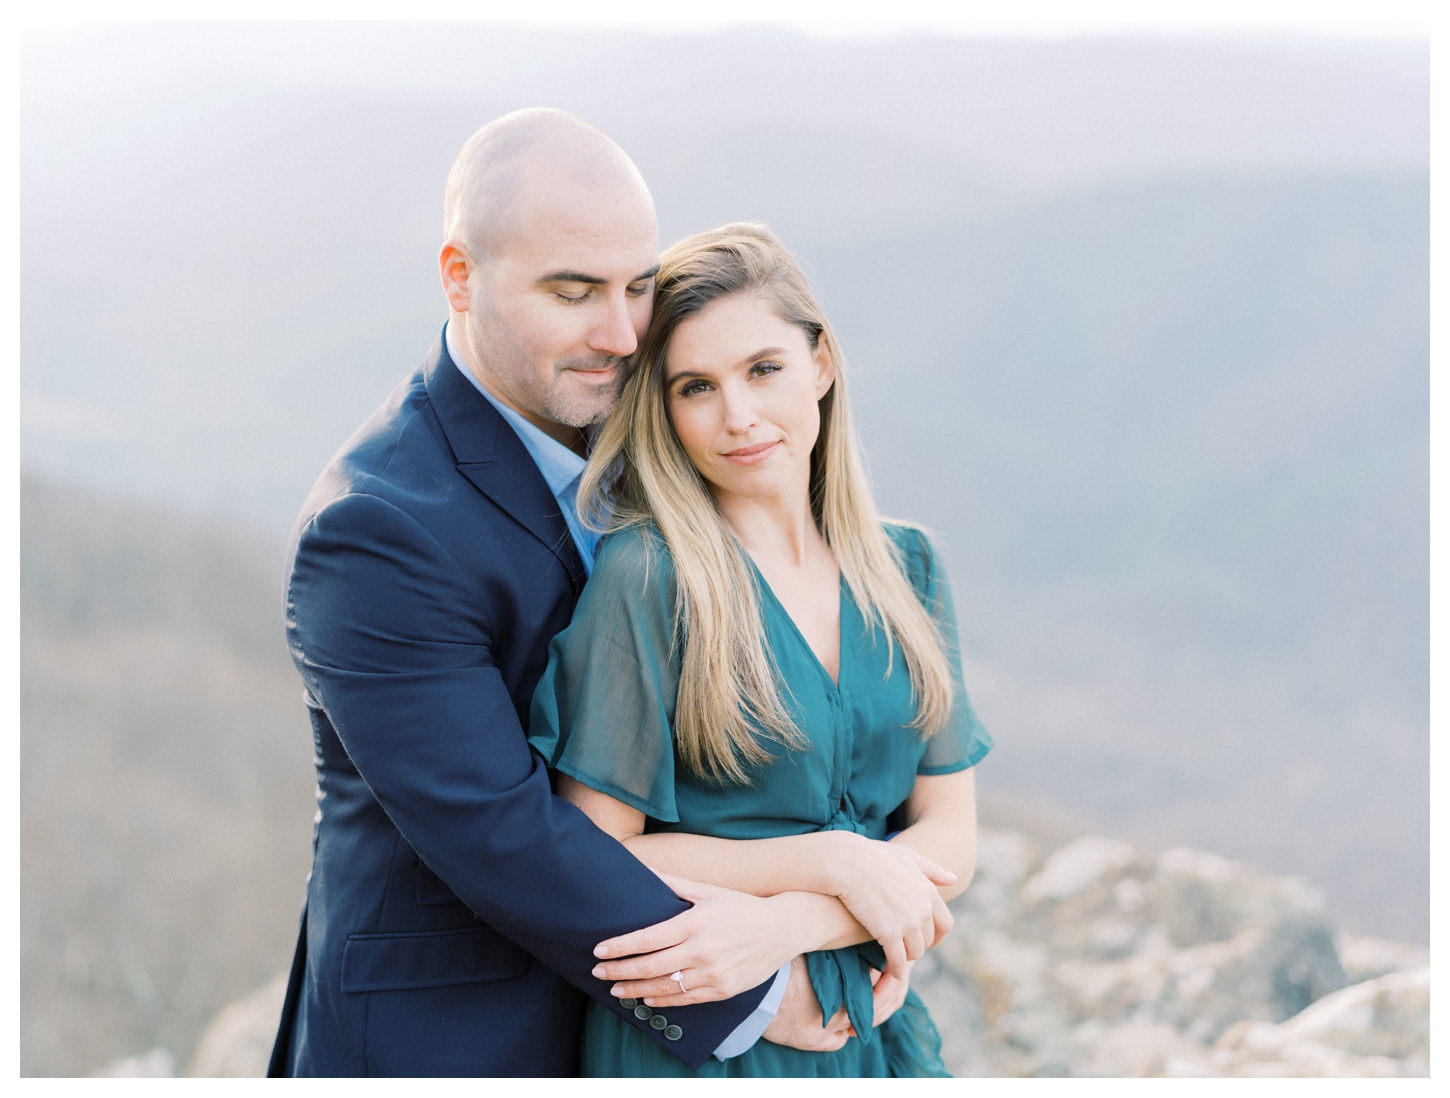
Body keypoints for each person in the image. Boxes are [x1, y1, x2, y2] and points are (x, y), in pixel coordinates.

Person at [266, 110, 947, 1077]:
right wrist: (759, 987)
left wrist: (815, 907)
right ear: (459, 276)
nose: (622, 332)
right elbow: (508, 833)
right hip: (468, 1035)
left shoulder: (654, 411)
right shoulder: (375, 531)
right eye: (573, 292)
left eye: (637, 287)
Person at [527, 222, 995, 1076]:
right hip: (711, 1040)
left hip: (870, 1025)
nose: (737, 417)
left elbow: (950, 836)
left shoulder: (909, 568)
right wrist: (830, 860)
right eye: (695, 387)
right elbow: (592, 855)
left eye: (763, 370)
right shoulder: (651, 577)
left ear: (820, 364)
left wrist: (803, 921)